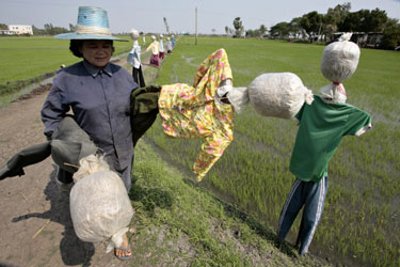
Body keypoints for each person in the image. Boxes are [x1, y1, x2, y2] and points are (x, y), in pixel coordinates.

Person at [40, 6, 137, 260]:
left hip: (124, 149)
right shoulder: (67, 79)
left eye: (105, 45)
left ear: (112, 48)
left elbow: (139, 103)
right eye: (92, 45)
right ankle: (113, 234)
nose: (100, 50)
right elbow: (51, 116)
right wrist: (66, 142)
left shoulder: (122, 75)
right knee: (97, 198)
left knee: (122, 189)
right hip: (93, 155)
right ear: (79, 48)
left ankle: (118, 229)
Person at [277, 35, 372, 256]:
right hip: (319, 173)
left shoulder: (309, 104)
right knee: (312, 215)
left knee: (291, 207)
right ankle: (302, 251)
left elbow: (294, 107)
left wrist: (304, 94)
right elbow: (367, 121)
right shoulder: (347, 114)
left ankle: (279, 238)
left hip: (303, 167)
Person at [131, 49, 239, 181]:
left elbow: (214, 148)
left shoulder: (224, 123)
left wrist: (199, 170)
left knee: (134, 129)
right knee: (136, 103)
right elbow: (220, 54)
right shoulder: (212, 86)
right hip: (171, 96)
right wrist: (224, 80)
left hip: (173, 113)